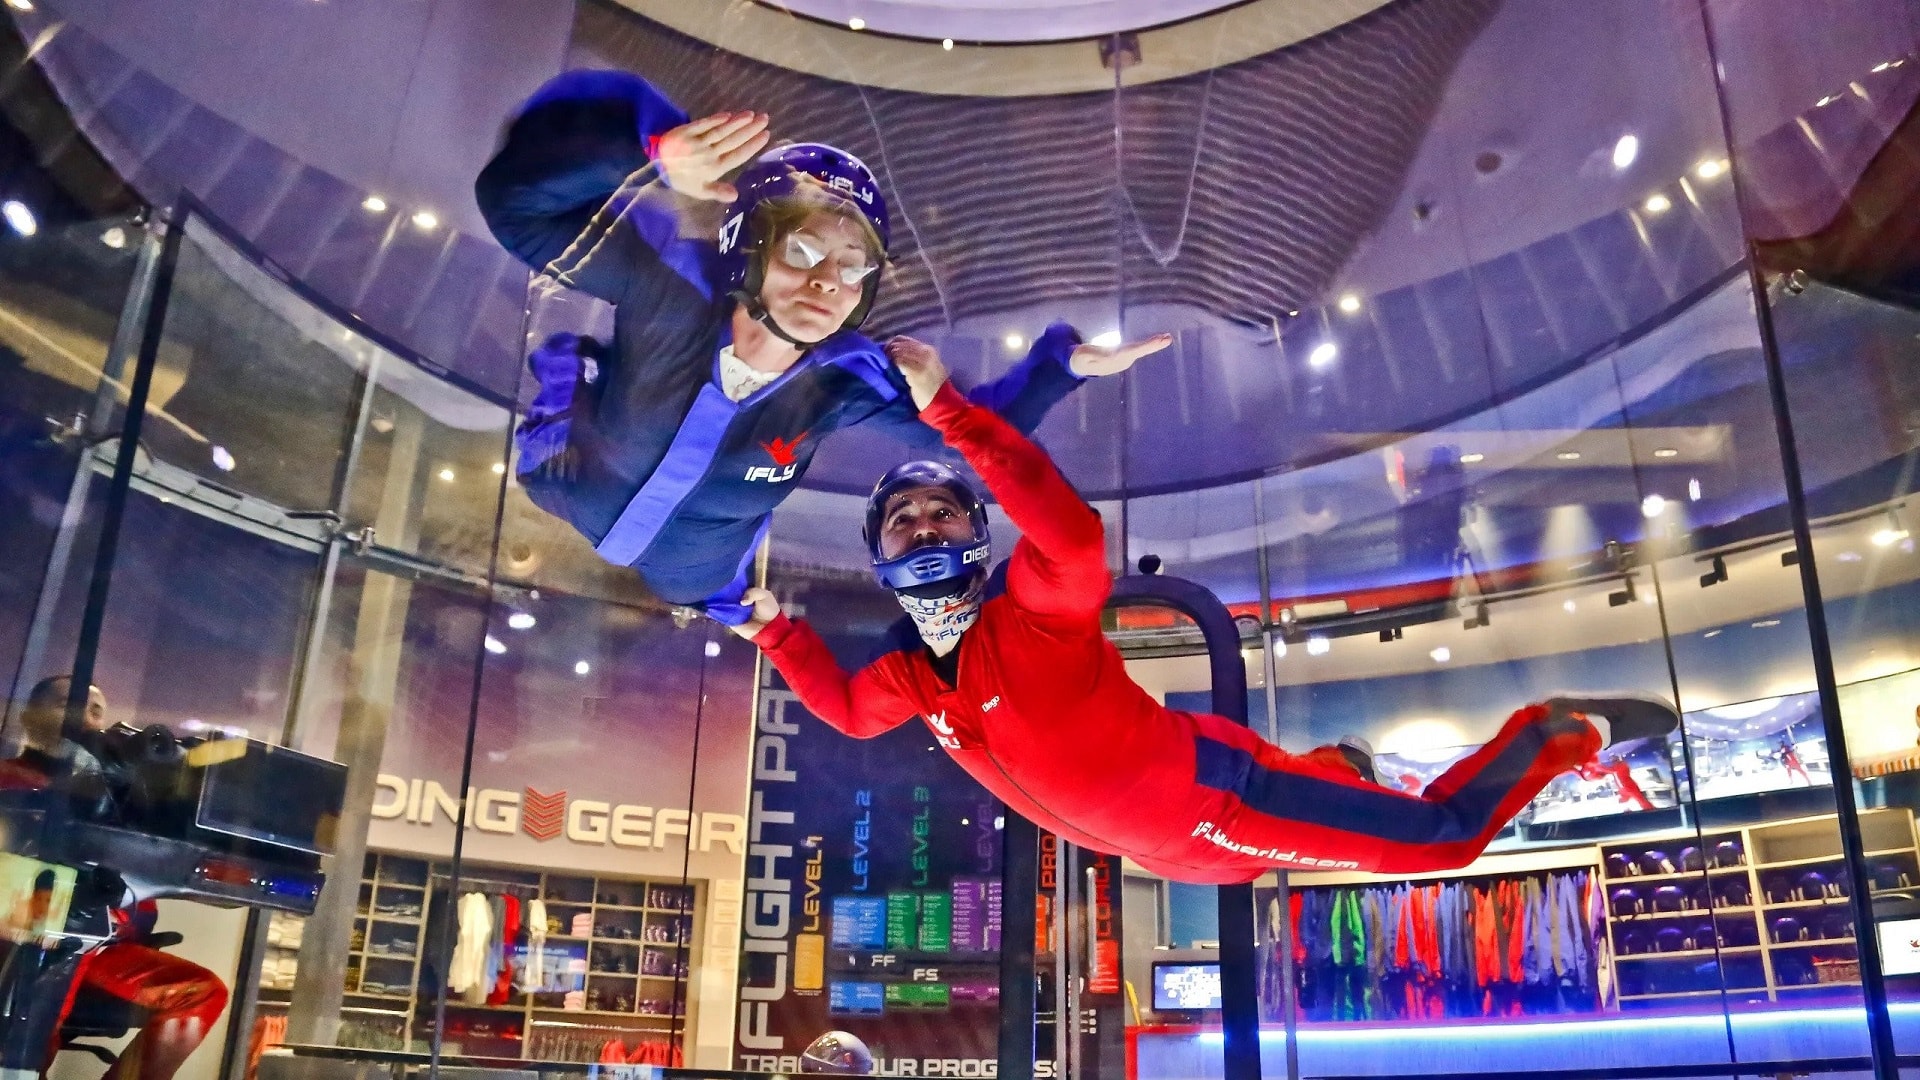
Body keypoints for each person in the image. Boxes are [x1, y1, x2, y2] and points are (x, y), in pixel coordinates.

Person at [728, 338, 1682, 885]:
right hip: (1172, 849)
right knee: (1245, 867)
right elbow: (850, 712)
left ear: (977, 533)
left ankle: (1560, 731)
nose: (925, 525)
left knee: (1438, 842)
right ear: (879, 551)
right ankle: (1339, 768)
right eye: (904, 518)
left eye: (944, 511)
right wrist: (775, 629)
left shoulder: (1032, 612)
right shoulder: (906, 675)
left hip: (1218, 801)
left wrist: (956, 416)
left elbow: (1070, 543)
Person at [476, 70, 1166, 623]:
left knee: (706, 584)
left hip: (693, 571)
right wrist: (650, 154)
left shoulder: (845, 380)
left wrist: (1061, 366)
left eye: (849, 266)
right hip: (570, 483)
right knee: (548, 443)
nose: (824, 283)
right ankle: (573, 370)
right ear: (747, 243)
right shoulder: (670, 283)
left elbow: (976, 431)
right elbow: (514, 206)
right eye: (801, 248)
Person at [0, 677, 228, 1080]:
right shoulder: (8, 778)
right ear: (29, 718)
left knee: (202, 993)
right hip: (25, 933)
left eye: (95, 709)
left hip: (103, 943)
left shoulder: (117, 801)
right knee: (61, 953)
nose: (84, 716)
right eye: (65, 703)